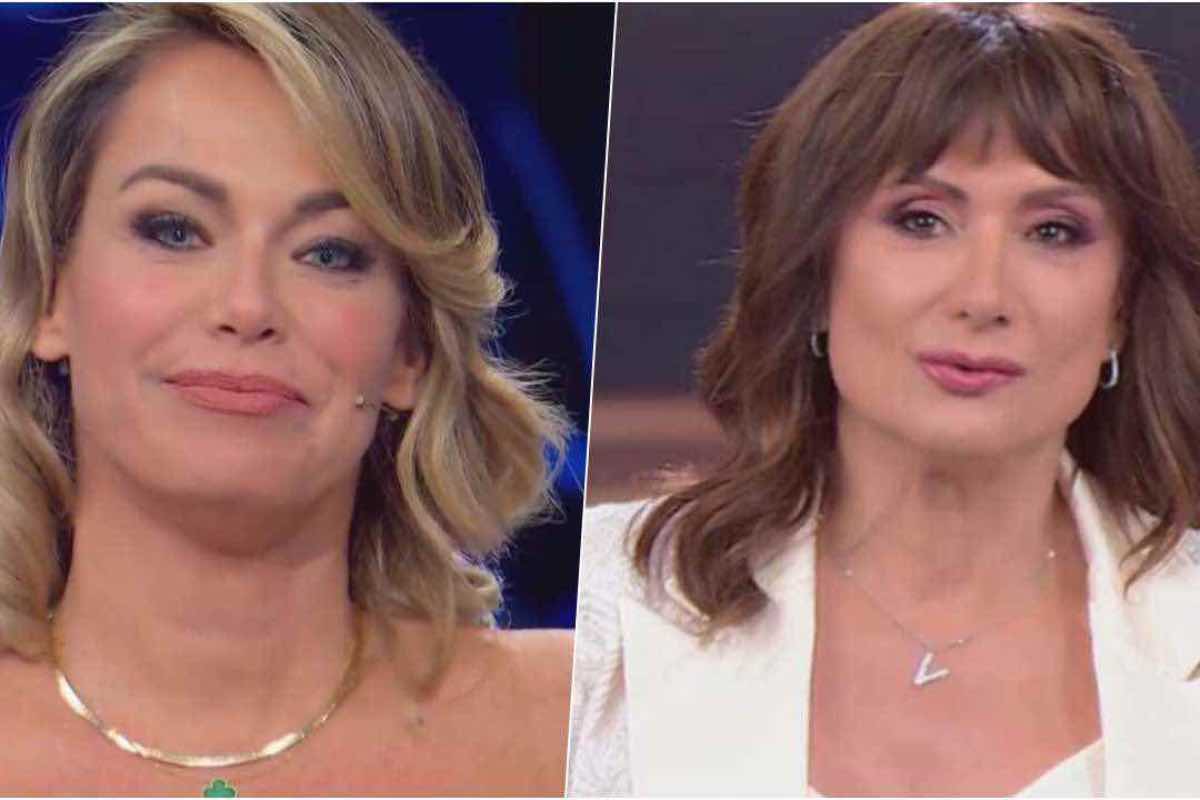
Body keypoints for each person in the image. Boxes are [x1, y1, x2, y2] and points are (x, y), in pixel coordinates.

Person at [569, 4, 1200, 796]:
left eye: (1053, 232)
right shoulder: (608, 604)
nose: (983, 296)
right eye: (921, 220)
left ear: (1122, 309)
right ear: (814, 271)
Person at [0, 4, 573, 795]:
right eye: (174, 230)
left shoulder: (583, 724)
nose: (247, 306)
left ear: (409, 348)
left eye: (328, 253)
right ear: (51, 296)